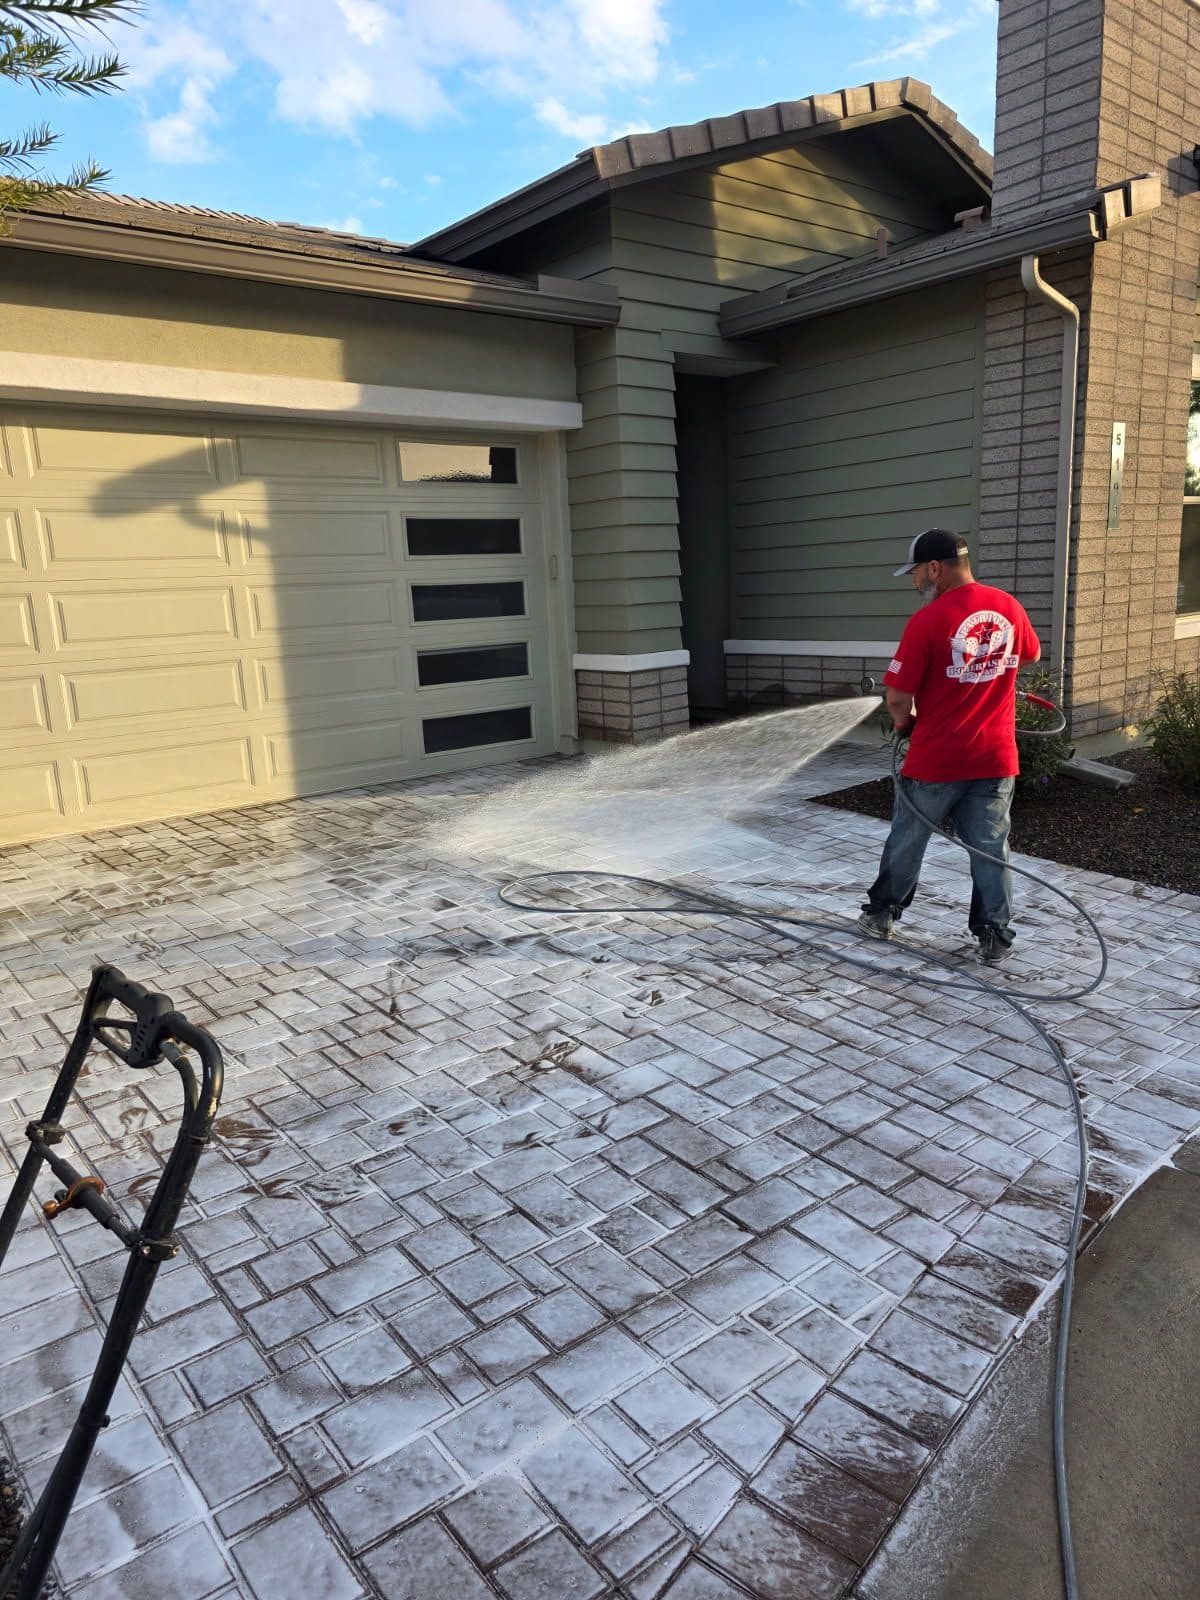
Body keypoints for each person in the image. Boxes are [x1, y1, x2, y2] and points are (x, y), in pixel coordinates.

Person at [857, 528, 1042, 963]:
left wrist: (905, 722)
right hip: (995, 760)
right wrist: (990, 672)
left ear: (936, 568)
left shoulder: (928, 620)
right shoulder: (1009, 607)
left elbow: (898, 697)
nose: (915, 581)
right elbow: (1029, 654)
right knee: (990, 848)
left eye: (918, 572)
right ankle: (994, 936)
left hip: (936, 759)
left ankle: (882, 915)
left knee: (908, 839)